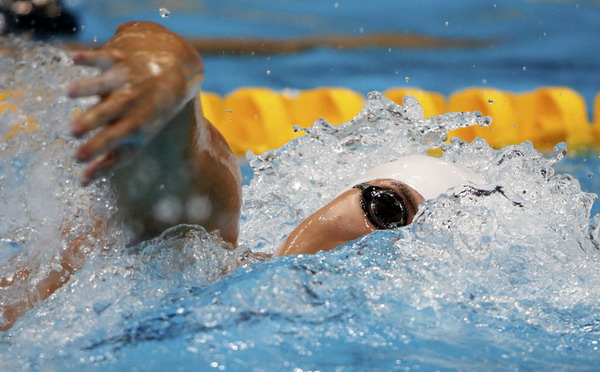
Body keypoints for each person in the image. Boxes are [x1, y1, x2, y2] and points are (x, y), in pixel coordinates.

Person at [0, 21, 482, 331]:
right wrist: (162, 70)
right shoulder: (207, 255)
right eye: (386, 208)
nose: (385, 247)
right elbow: (186, 140)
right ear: (339, 196)